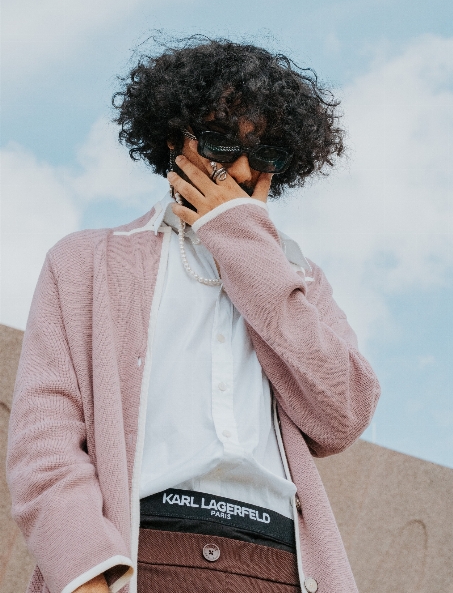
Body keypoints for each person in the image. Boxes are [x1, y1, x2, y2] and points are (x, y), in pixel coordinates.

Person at [7, 38, 380, 593]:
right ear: (171, 138)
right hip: (141, 561)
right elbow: (45, 443)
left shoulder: (298, 277)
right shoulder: (86, 262)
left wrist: (242, 240)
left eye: (265, 152)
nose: (240, 168)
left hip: (280, 568)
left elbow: (343, 414)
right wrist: (89, 577)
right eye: (221, 140)